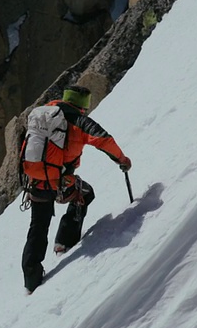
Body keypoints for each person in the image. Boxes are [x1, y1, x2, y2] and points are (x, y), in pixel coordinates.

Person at [21, 85, 131, 294]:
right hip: (60, 182)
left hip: (35, 181)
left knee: (38, 226)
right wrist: (122, 160)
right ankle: (64, 241)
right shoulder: (77, 120)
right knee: (85, 193)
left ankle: (31, 280)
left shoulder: (45, 112)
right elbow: (103, 139)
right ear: (83, 105)